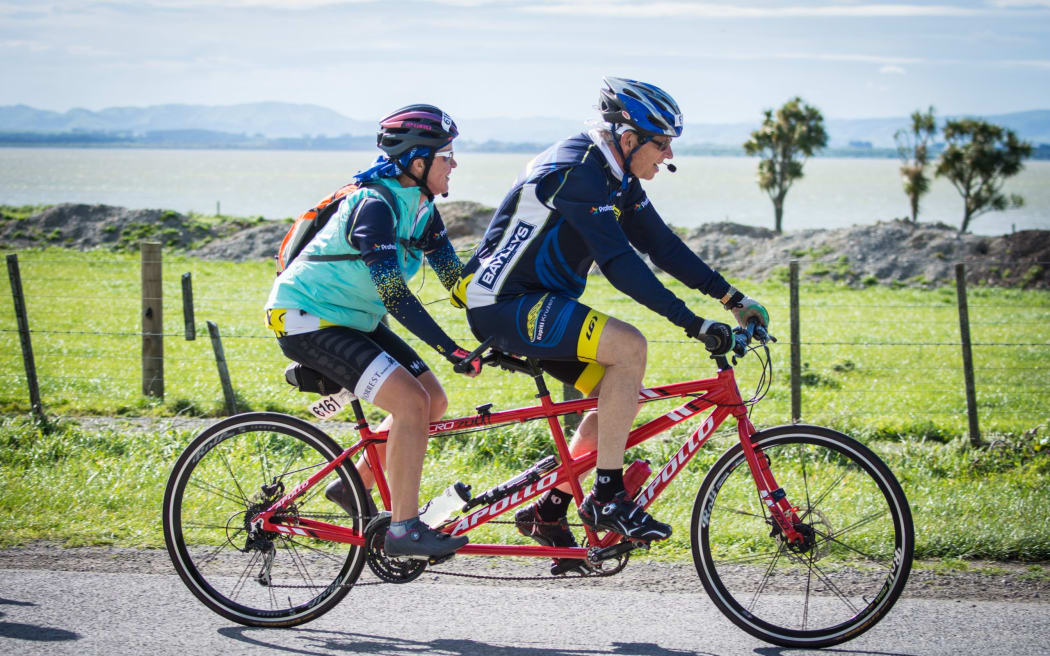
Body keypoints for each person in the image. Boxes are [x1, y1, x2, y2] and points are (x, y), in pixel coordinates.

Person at [452, 77, 769, 574]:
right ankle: (606, 497)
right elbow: (620, 263)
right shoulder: (578, 173)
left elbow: (662, 246)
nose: (666, 156)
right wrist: (693, 323)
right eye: (660, 144)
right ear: (627, 138)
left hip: (537, 300)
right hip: (504, 304)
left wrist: (730, 299)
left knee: (619, 395)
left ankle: (549, 510)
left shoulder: (614, 175)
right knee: (629, 347)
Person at [265, 104, 480, 560]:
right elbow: (396, 296)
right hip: (307, 317)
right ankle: (403, 528)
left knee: (433, 400)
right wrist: (451, 348)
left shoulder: (421, 210)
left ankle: (354, 487)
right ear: (418, 162)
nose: (454, 164)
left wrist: (506, 328)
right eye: (447, 155)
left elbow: (458, 284)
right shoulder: (375, 206)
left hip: (354, 319)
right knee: (410, 402)